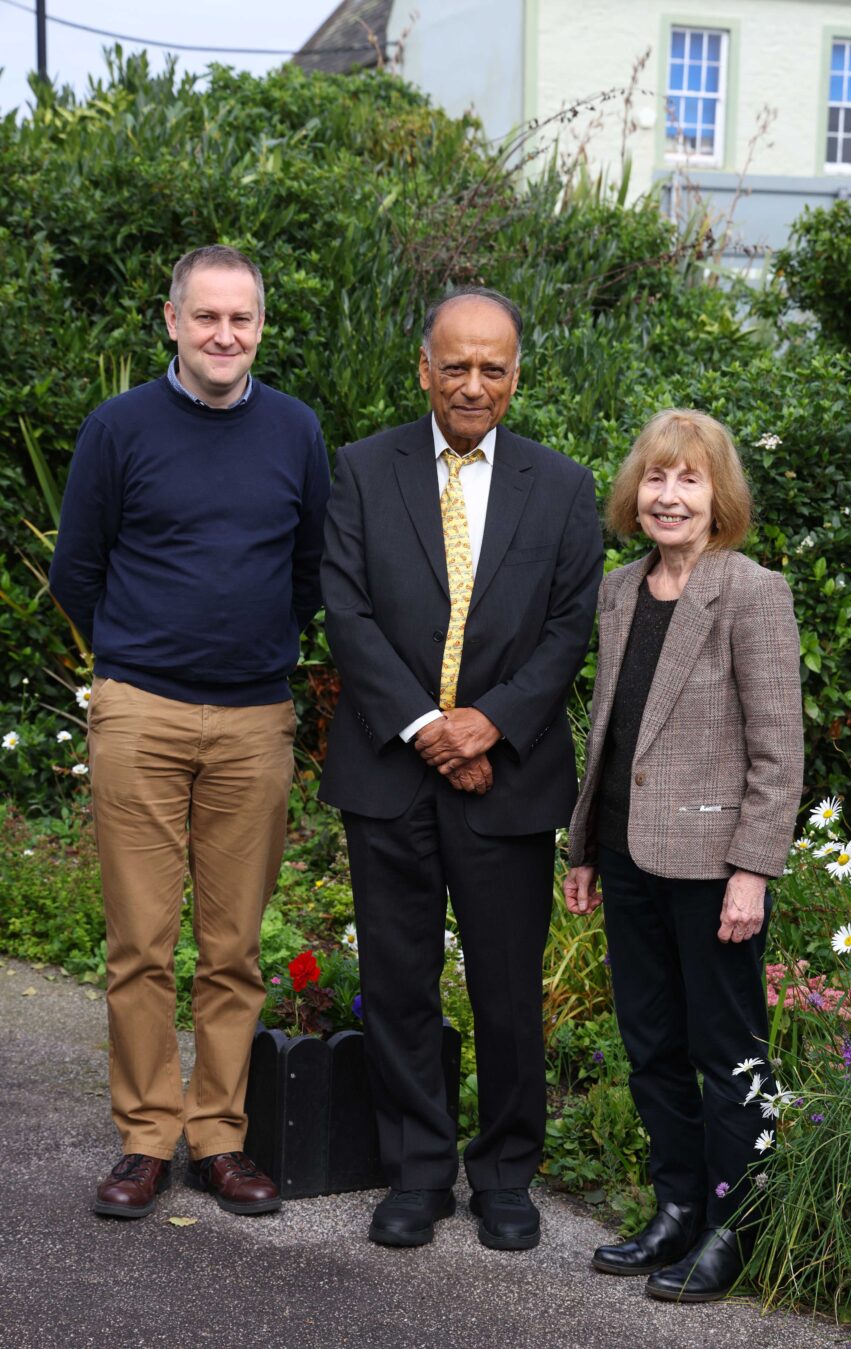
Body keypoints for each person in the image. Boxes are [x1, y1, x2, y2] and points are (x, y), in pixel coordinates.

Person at [49, 245, 330, 1220]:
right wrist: (134, 658)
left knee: (233, 943)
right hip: (142, 710)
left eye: (241, 320)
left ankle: (217, 1135)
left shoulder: (296, 431)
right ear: (171, 321)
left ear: (259, 327)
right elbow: (75, 567)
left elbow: (307, 570)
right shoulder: (118, 427)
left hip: (255, 715)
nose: (224, 335)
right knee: (139, 941)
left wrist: (253, 649)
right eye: (206, 317)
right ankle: (143, 1137)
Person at [319, 287, 602, 1250]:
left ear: (516, 377)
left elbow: (571, 626)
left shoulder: (563, 487)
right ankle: (418, 1172)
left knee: (507, 989)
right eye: (456, 366)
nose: (473, 384)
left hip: (509, 774)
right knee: (398, 981)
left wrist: (487, 725)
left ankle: (507, 1173)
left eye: (493, 368)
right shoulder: (360, 470)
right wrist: (423, 728)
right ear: (424, 369)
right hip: (387, 770)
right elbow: (346, 612)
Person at [565, 409, 803, 1301]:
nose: (669, 496)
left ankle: (734, 1224)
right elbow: (611, 733)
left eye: (689, 479)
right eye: (656, 479)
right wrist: (584, 846)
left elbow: (779, 751)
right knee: (651, 1045)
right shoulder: (622, 590)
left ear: (718, 496)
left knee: (728, 1051)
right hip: (628, 855)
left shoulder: (750, 591)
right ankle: (674, 1206)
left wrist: (753, 868)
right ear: (637, 492)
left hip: (714, 869)